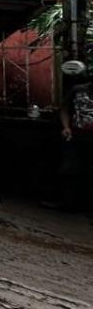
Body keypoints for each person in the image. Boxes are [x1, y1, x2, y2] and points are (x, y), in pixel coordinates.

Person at [56, 75, 93, 210]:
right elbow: (64, 109)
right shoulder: (78, 90)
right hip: (77, 136)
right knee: (68, 170)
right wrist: (66, 127)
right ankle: (68, 204)